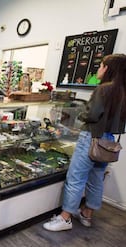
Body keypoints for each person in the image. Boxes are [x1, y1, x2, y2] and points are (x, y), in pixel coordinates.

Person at [43, 54, 126, 232]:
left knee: (75, 178)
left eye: (101, 66)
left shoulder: (103, 90)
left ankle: (65, 218)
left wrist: (80, 114)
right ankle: (87, 214)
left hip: (91, 138)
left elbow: (91, 115)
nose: (99, 69)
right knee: (96, 179)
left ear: (108, 69)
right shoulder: (122, 92)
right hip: (108, 141)